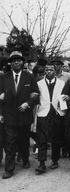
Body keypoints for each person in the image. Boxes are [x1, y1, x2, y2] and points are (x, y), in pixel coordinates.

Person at [0, 51, 39, 179]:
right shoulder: (4, 78)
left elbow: (35, 94)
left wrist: (27, 103)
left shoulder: (29, 76)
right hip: (9, 116)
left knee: (23, 141)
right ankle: (9, 169)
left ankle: (25, 158)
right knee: (9, 142)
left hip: (24, 116)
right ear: (10, 63)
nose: (16, 62)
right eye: (14, 60)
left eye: (19, 60)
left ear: (23, 63)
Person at [35, 63, 66, 174]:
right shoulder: (39, 83)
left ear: (55, 71)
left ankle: (55, 160)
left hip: (57, 114)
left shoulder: (62, 83)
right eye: (47, 69)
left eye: (51, 70)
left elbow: (65, 96)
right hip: (43, 114)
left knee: (56, 139)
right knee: (42, 139)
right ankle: (42, 163)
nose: (49, 72)